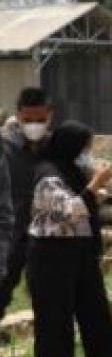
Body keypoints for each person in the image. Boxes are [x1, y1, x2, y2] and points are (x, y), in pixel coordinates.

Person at [26, 121, 112, 357]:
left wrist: (96, 182)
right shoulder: (47, 175)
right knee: (55, 326)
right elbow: (66, 213)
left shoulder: (73, 171)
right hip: (51, 257)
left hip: (80, 254)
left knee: (98, 319)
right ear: (71, 146)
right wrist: (95, 184)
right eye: (85, 147)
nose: (88, 153)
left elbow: (88, 206)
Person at [0, 88, 52, 327]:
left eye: (40, 120)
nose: (34, 125)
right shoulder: (4, 146)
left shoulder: (56, 147)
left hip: (47, 237)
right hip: (11, 235)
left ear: (50, 114)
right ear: (18, 115)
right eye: (28, 120)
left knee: (48, 298)